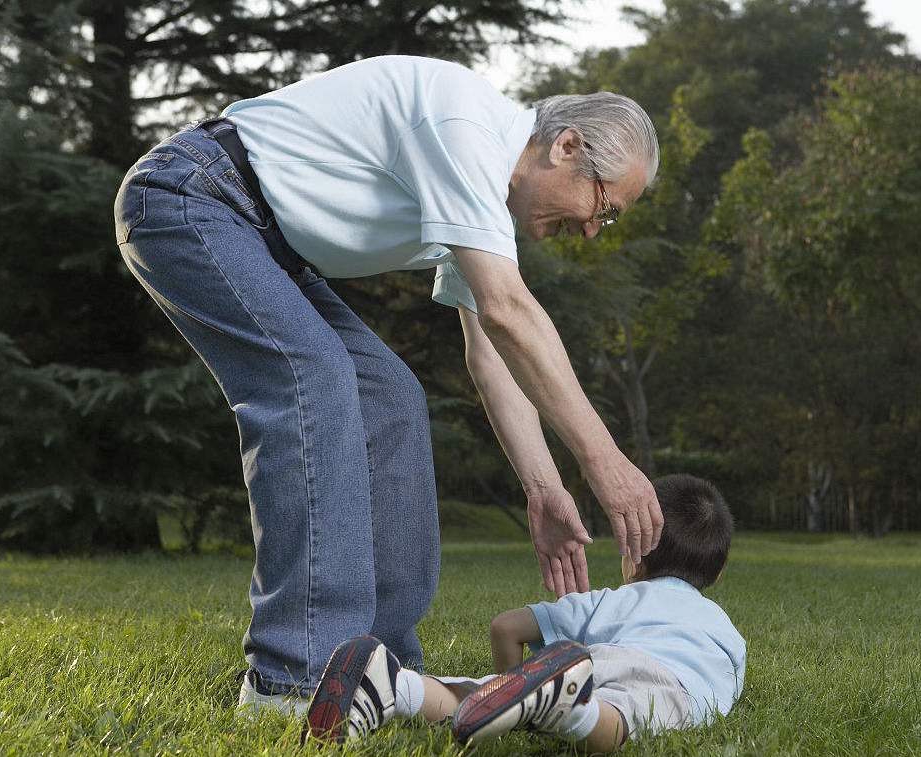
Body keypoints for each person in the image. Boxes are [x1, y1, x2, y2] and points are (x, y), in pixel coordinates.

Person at [112, 54, 664, 712]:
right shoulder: (466, 124)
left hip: (266, 240)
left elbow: (491, 351)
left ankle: (382, 671)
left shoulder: (482, 197)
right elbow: (512, 312)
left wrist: (545, 489)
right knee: (312, 375)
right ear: (567, 146)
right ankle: (293, 676)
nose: (594, 229)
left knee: (392, 397)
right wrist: (606, 463)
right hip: (192, 196)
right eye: (604, 204)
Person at [303, 474, 745, 752]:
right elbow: (725, 690)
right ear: (720, 571)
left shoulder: (611, 600)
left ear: (634, 558)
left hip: (594, 662)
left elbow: (507, 626)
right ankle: (568, 709)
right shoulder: (724, 630)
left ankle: (393, 685)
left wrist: (507, 684)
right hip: (671, 682)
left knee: (473, 692)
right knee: (625, 720)